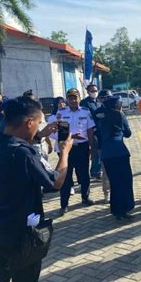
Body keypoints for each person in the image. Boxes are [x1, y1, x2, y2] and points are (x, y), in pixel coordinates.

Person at [0, 96, 73, 282]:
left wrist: (38, 137)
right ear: (29, 123)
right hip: (22, 236)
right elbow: (55, 182)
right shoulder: (24, 154)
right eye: (38, 124)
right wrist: (64, 153)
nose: (39, 128)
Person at [57, 88, 96, 216]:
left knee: (84, 175)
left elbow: (90, 130)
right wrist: (72, 137)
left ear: (79, 98)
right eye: (70, 98)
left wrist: (92, 147)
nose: (73, 100)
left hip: (82, 148)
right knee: (66, 177)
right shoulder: (62, 112)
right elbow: (62, 133)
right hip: (68, 149)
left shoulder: (85, 112)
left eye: (75, 97)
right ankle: (64, 204)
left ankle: (85, 197)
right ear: (67, 99)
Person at [98, 96, 135, 220]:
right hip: (120, 153)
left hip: (107, 154)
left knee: (114, 182)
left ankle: (116, 210)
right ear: (115, 105)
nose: (121, 104)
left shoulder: (102, 116)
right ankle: (124, 209)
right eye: (119, 102)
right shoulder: (120, 115)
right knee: (125, 182)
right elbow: (128, 134)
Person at [91, 90, 113, 203]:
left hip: (116, 145)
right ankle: (107, 193)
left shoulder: (116, 110)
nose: (105, 100)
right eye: (103, 98)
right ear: (100, 99)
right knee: (105, 170)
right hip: (102, 144)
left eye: (108, 97)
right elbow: (94, 130)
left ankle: (116, 191)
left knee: (117, 171)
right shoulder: (97, 112)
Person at [80, 84, 102, 180]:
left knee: (99, 151)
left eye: (96, 90)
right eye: (92, 91)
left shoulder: (98, 102)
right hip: (90, 131)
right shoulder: (84, 103)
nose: (94, 92)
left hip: (100, 130)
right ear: (88, 92)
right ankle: (94, 171)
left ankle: (97, 170)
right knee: (94, 151)